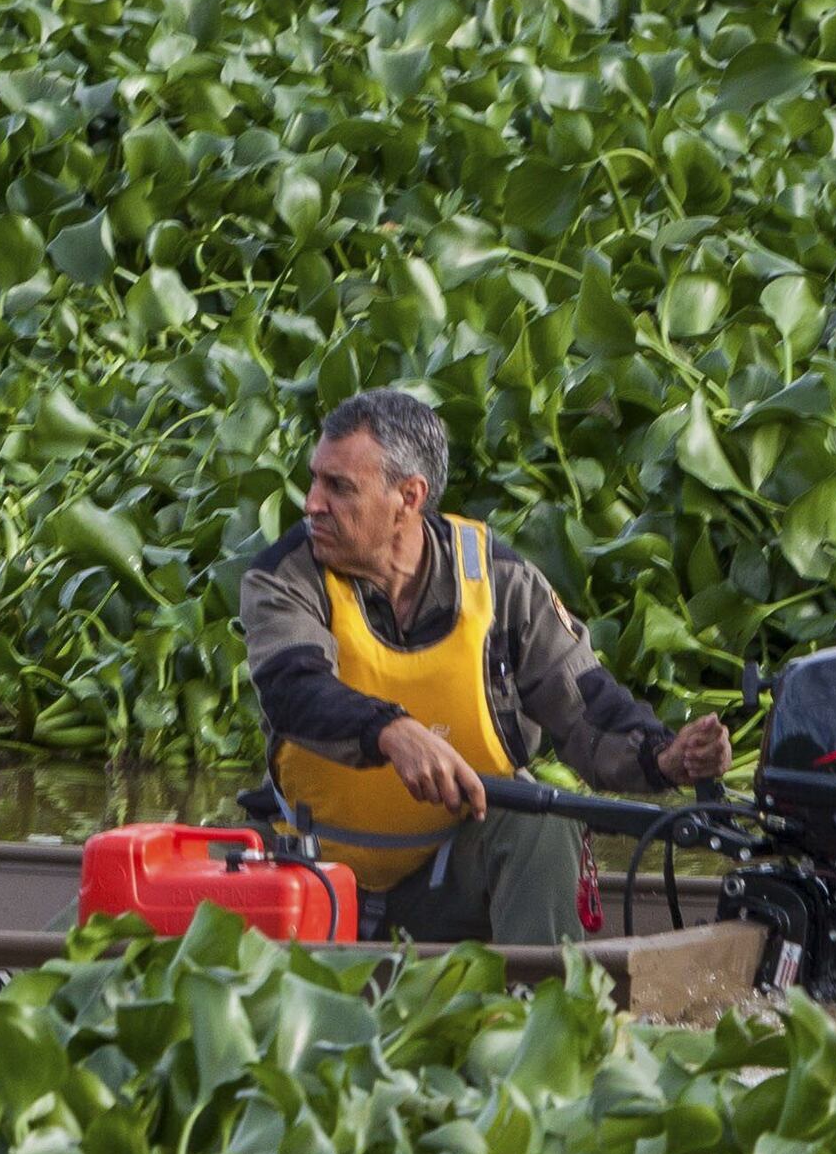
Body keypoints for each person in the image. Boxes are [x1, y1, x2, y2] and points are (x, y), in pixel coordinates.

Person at [239, 387, 727, 945]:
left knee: (543, 820)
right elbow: (292, 689)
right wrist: (392, 732)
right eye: (315, 479)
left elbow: (587, 706)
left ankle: (542, 1008)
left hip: (449, 879)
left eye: (338, 487)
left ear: (409, 496)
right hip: (310, 875)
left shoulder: (502, 582)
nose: (311, 503)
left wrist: (666, 758)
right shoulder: (284, 575)